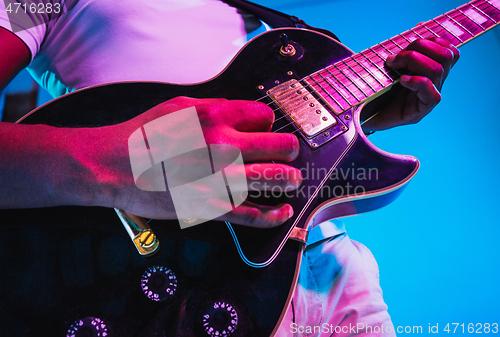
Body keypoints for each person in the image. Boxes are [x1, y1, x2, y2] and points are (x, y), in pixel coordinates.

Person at [0, 0, 458, 335]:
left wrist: (370, 115)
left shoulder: (252, 18)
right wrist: (129, 164)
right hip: (175, 281)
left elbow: (247, 127)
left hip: (326, 268)